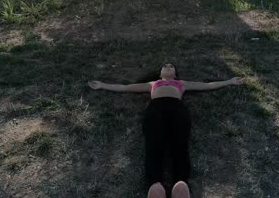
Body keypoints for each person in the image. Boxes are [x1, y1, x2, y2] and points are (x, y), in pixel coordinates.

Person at [88, 63, 244, 198]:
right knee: (153, 145)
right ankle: (154, 184)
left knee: (180, 144)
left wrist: (230, 81)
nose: (168, 67)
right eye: (165, 66)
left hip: (178, 110)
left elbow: (207, 85)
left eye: (171, 66)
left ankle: (181, 183)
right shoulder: (152, 84)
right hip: (155, 111)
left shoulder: (182, 83)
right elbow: (125, 88)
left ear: (175, 74)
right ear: (160, 73)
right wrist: (102, 85)